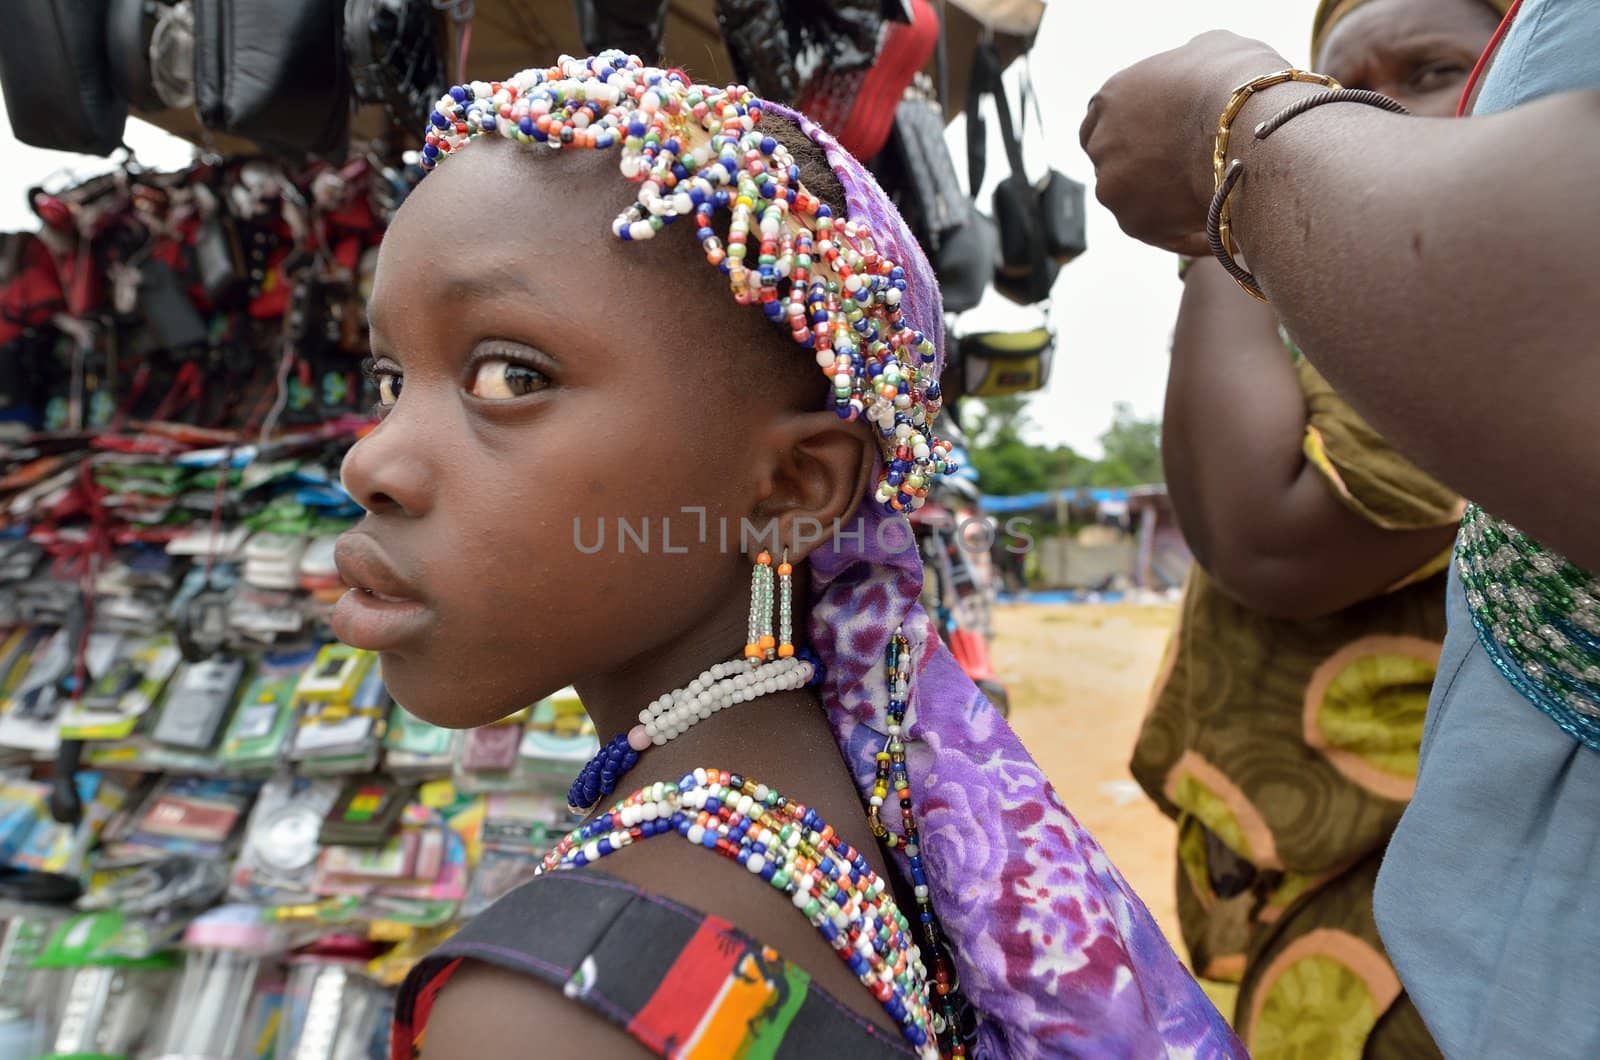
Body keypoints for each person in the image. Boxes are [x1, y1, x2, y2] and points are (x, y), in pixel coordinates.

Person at [334, 54, 1242, 1060]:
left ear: (793, 489)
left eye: (509, 374)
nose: (370, 459)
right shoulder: (868, 830)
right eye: (386, 377)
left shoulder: (558, 1013)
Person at [1084, 2, 1600, 1056]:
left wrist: (1228, 167)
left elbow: (1263, 532)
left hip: (1406, 903)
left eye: (1430, 71)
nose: (1361, 113)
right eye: (1337, 83)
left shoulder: (1449, 359)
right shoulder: (1338, 336)